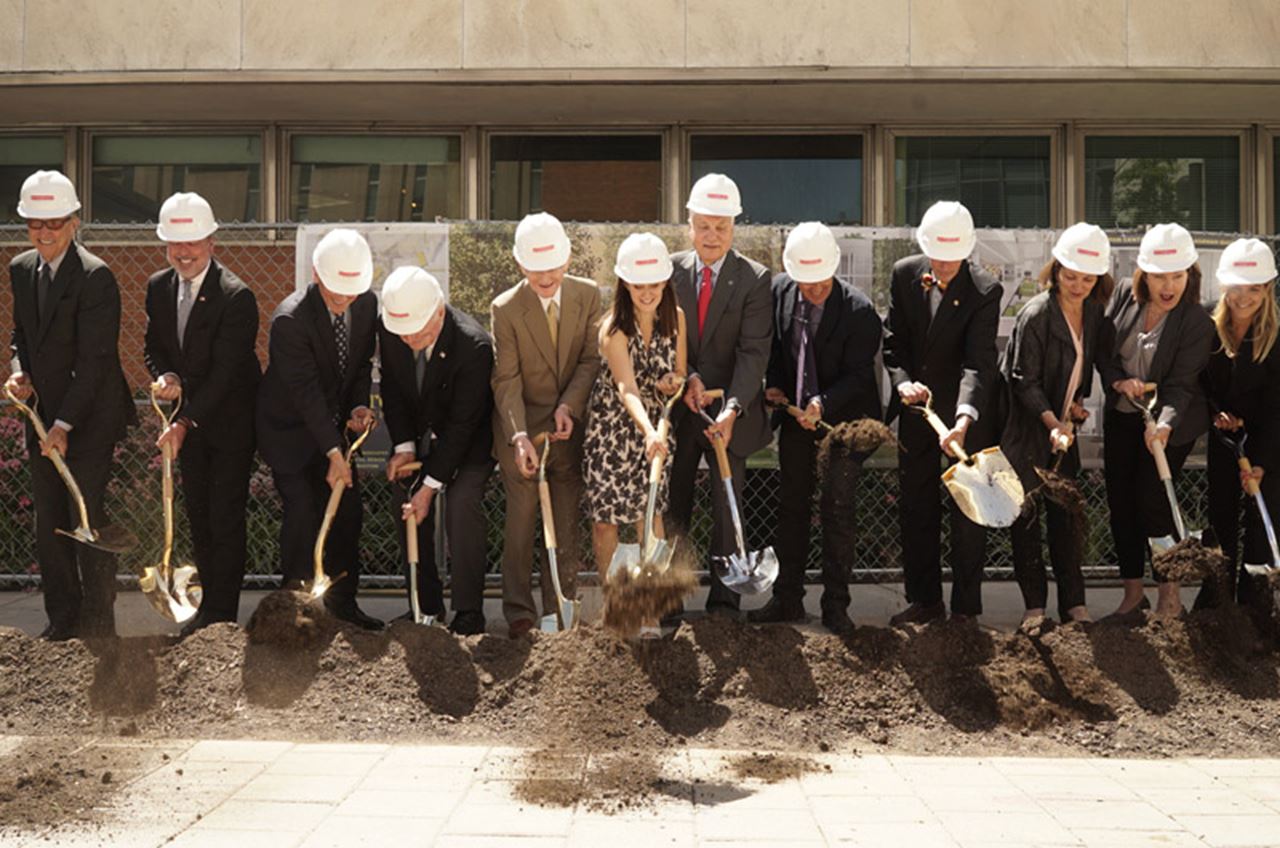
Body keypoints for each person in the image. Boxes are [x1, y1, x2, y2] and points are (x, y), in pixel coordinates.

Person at [5, 170, 135, 641]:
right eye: (35, 223)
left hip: (90, 417)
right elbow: (21, 334)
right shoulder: (21, 269)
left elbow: (95, 360)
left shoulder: (95, 277)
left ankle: (99, 625)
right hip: (43, 417)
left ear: (74, 222)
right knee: (51, 521)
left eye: (54, 223)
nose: (44, 232)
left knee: (86, 517)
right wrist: (19, 370)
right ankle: (62, 619)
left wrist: (64, 424)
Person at [749, 222, 882, 636]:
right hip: (796, 421)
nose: (813, 291)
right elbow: (776, 349)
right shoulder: (779, 292)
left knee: (837, 509)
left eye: (821, 284)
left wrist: (823, 402)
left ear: (834, 269)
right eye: (805, 284)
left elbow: (860, 375)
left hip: (844, 424)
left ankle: (836, 606)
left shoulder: (859, 311)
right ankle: (786, 598)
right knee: (792, 506)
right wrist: (774, 385)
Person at [144, 192, 261, 637]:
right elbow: (153, 346)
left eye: (192, 242)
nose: (183, 252)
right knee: (197, 514)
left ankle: (222, 618)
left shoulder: (236, 296)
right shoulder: (158, 287)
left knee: (224, 516)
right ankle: (207, 609)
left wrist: (183, 421)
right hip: (189, 424)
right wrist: (166, 374)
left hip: (230, 423)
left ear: (212, 241)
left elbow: (226, 374)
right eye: (175, 243)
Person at [882, 200, 1001, 626]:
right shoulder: (904, 275)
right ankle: (925, 600)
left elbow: (979, 363)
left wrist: (963, 420)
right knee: (917, 507)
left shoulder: (986, 290)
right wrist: (902, 383)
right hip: (918, 413)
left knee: (968, 512)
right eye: (938, 256)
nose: (945, 265)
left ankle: (966, 610)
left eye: (953, 257)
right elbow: (893, 344)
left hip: (965, 418)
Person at [256, 228, 382, 630]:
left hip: (334, 428)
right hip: (290, 431)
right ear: (316, 275)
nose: (344, 301)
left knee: (348, 513)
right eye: (336, 294)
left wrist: (359, 406)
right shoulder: (290, 320)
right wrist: (332, 452)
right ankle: (295, 609)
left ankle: (343, 606)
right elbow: (306, 393)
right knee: (303, 511)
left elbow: (360, 365)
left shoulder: (366, 304)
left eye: (351, 293)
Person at [999, 223, 1119, 630]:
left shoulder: (1094, 313)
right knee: (1028, 519)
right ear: (1056, 270)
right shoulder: (1036, 314)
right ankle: (1034, 608)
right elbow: (1024, 381)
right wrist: (1052, 421)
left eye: (1088, 279)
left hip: (1063, 430)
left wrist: (1076, 406)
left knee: (1067, 519)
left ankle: (1074, 606)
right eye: (1071, 276)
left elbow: (1084, 368)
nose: (1078, 285)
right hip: (1027, 430)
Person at [664, 173, 773, 620]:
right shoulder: (669, 271)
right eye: (704, 226)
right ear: (689, 224)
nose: (712, 236)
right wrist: (688, 377)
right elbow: (666, 338)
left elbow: (753, 352)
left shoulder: (754, 279)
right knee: (674, 504)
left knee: (727, 506)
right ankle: (669, 598)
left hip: (730, 415)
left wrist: (731, 408)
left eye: (721, 227)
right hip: (681, 409)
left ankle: (725, 602)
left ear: (734, 227)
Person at [491, 212, 602, 638]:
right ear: (520, 264)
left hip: (567, 424)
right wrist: (519, 435)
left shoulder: (587, 295)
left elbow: (590, 359)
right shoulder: (506, 309)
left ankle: (561, 605)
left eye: (553, 266)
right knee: (521, 521)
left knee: (565, 522)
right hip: (522, 428)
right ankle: (519, 612)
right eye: (536, 268)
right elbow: (506, 379)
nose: (545, 277)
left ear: (567, 259)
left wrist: (569, 407)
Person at [1102, 223, 1213, 622]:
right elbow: (1104, 352)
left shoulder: (1196, 322)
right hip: (1123, 413)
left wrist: (1163, 426)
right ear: (1143, 274)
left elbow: (1182, 386)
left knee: (1152, 499)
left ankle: (1170, 595)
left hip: (1170, 422)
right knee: (1121, 502)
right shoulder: (1123, 296)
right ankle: (1133, 597)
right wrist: (1119, 381)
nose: (1169, 286)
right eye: (1160, 276)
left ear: (1190, 275)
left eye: (1177, 276)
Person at [380, 266, 495, 636]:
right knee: (405, 502)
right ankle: (424, 606)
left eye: (419, 332)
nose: (410, 339)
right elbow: (393, 391)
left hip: (468, 440)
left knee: (462, 503)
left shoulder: (474, 346)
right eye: (404, 333)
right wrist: (404, 447)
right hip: (419, 437)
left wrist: (430, 487)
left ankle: (468, 611)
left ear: (440, 312)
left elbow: (463, 425)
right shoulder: (393, 328)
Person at [582, 233, 686, 638]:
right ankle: (617, 610)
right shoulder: (613, 328)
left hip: (655, 429)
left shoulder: (676, 318)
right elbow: (626, 388)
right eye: (638, 285)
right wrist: (647, 431)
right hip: (612, 430)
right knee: (606, 522)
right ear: (625, 284)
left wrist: (671, 382)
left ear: (665, 282)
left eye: (654, 285)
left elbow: (679, 372)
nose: (646, 293)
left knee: (651, 519)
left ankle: (649, 613)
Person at [1198, 238, 1280, 608]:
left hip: (1268, 441)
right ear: (1222, 285)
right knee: (1221, 519)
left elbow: (1277, 407)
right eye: (1235, 288)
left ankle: (1254, 607)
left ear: (1267, 289)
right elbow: (1200, 383)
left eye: (1254, 289)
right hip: (1225, 437)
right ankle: (1215, 601)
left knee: (1261, 522)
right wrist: (1217, 413)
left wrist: (1261, 464)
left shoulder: (1275, 337)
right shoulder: (1209, 328)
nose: (1243, 298)